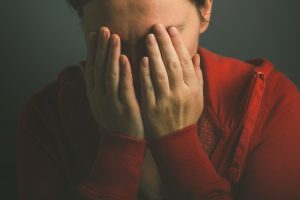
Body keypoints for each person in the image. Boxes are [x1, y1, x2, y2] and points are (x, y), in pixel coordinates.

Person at [16, 0, 300, 199]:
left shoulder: (269, 104)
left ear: (206, 10)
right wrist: (118, 144)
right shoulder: (47, 119)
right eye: (113, 44)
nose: (141, 69)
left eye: (160, 39)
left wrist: (177, 141)